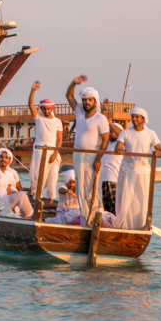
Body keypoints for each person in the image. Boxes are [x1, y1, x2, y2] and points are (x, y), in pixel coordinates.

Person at [65, 75, 110, 223]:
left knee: (92, 187)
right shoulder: (78, 111)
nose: (86, 102)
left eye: (90, 100)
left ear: (95, 101)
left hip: (93, 155)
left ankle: (94, 218)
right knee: (80, 188)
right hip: (78, 154)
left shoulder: (100, 118)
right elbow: (69, 95)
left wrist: (98, 159)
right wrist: (74, 83)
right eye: (84, 100)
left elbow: (105, 140)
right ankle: (85, 218)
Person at [113, 107, 161, 230]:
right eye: (133, 117)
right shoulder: (125, 132)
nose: (134, 119)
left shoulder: (151, 133)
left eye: (137, 117)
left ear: (143, 119)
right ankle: (122, 227)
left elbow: (160, 150)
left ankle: (141, 226)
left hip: (143, 171)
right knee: (124, 199)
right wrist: (119, 150)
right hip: (126, 170)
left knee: (141, 199)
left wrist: (157, 153)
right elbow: (118, 147)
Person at [27, 80, 64, 204]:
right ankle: (36, 196)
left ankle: (52, 200)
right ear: (42, 109)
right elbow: (30, 105)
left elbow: (59, 139)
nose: (46, 111)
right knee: (37, 175)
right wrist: (33, 90)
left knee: (53, 177)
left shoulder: (57, 121)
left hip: (53, 151)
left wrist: (55, 153)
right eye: (44, 109)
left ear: (51, 109)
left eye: (48, 109)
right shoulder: (39, 118)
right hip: (39, 150)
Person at [0, 148, 34, 219]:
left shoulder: (5, 174)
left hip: (0, 202)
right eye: (1, 157)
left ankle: (27, 218)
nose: (3, 159)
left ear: (9, 160)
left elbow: (7, 191)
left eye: (6, 158)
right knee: (22, 195)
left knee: (19, 198)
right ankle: (29, 218)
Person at [98, 101, 124, 214]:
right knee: (106, 208)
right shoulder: (107, 144)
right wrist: (104, 111)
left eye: (112, 132)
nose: (110, 134)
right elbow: (103, 125)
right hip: (104, 180)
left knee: (115, 206)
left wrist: (110, 123)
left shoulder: (121, 144)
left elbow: (122, 133)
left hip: (114, 180)